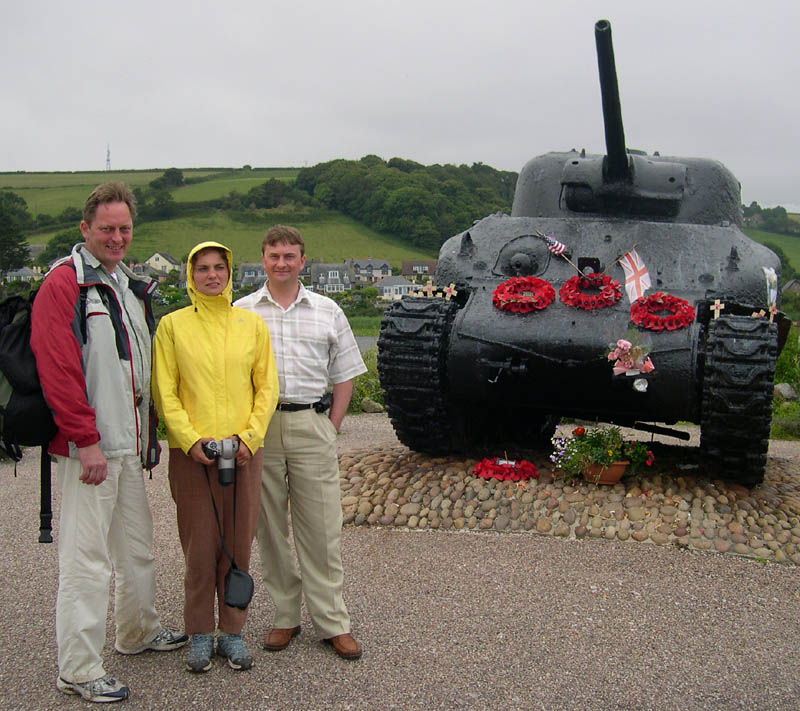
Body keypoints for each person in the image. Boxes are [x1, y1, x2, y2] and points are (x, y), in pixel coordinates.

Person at [31, 183, 187, 704]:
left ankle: (137, 632)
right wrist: (85, 440)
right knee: (87, 559)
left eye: (124, 229)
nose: (118, 237)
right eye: (107, 229)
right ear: (85, 229)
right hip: (91, 451)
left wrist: (148, 438)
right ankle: (77, 668)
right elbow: (59, 370)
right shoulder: (63, 285)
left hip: (126, 446)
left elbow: (136, 372)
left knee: (136, 548)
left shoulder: (124, 284)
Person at [234, 224, 367, 661]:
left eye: (290, 256)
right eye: (274, 256)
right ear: (263, 259)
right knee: (268, 527)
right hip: (261, 428)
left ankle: (332, 622)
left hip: (311, 422)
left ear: (302, 260)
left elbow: (345, 372)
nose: (282, 263)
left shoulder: (328, 310)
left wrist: (332, 425)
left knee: (322, 526)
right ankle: (285, 615)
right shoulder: (242, 311)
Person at [152, 241, 278, 674]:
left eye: (218, 267)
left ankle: (233, 633)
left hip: (243, 454)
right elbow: (164, 391)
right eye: (202, 268)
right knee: (200, 545)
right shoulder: (171, 326)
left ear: (228, 272)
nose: (211, 275)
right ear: (191, 274)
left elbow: (267, 388)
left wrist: (249, 437)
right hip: (193, 456)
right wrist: (190, 441)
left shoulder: (251, 325)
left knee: (239, 543)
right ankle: (200, 631)